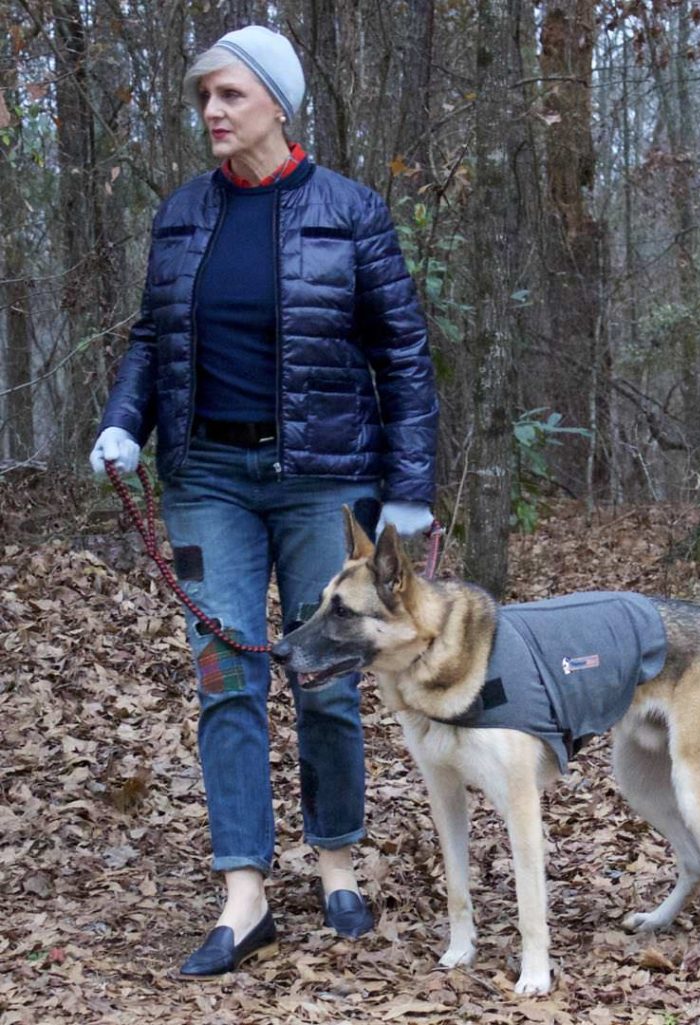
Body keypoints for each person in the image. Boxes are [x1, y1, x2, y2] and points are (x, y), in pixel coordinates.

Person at [88, 25, 438, 978]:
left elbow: (401, 356)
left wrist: (408, 494)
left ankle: (336, 863)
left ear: (276, 105)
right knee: (224, 674)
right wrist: (127, 420)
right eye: (205, 96)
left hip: (325, 480)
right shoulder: (182, 216)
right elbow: (150, 341)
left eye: (230, 96)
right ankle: (244, 892)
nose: (212, 111)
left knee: (323, 672)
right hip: (206, 478)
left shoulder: (350, 212)